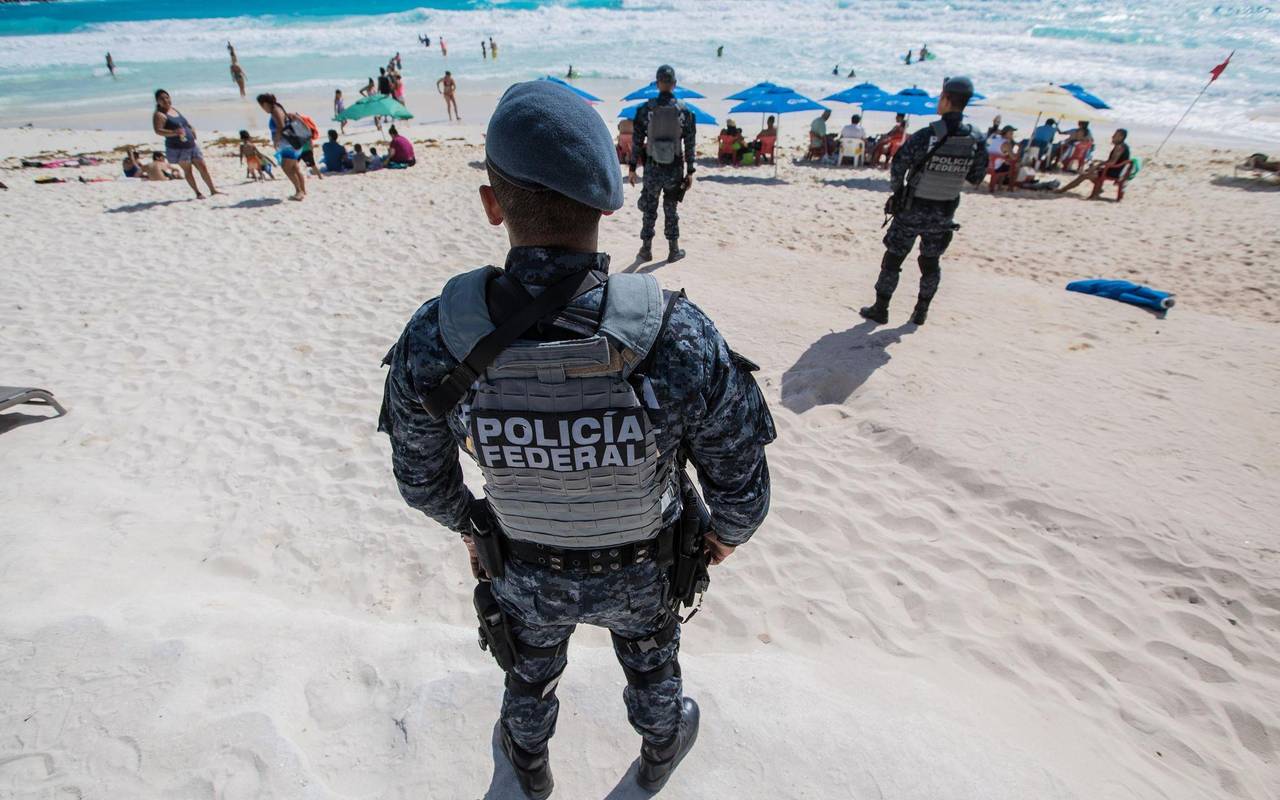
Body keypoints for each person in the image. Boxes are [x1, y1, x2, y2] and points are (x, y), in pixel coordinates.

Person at [378, 78, 774, 800]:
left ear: (493, 205)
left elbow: (419, 478)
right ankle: (659, 750)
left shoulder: (438, 335)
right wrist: (722, 538)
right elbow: (741, 484)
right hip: (645, 571)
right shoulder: (675, 334)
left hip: (525, 571)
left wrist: (473, 525)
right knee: (653, 665)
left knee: (528, 669)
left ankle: (528, 766)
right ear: (609, 202)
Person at [859, 76, 987, 326]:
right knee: (930, 263)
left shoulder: (927, 135)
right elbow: (976, 176)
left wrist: (898, 193)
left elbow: (899, 166)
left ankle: (881, 309)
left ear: (947, 99)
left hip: (912, 209)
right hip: (944, 211)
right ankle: (920, 312)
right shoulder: (975, 139)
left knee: (893, 260)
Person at [628, 64, 697, 263]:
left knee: (649, 209)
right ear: (674, 84)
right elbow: (690, 144)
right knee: (671, 209)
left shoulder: (645, 109)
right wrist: (690, 170)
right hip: (674, 168)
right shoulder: (685, 112)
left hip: (652, 167)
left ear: (658, 83)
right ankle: (673, 250)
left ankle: (645, 249)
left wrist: (632, 167)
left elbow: (637, 142)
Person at [151, 89, 221, 199]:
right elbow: (158, 130)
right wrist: (174, 132)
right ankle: (198, 193)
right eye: (162, 99)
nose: (165, 100)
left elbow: (185, 123)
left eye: (167, 97)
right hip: (178, 148)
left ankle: (213, 190)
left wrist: (191, 128)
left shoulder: (174, 110)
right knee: (188, 170)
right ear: (157, 101)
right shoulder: (159, 115)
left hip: (191, 145)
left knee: (203, 167)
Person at [257, 92, 308, 201]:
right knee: (295, 168)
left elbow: (281, 126)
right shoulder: (278, 107)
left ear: (265, 103)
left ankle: (299, 191)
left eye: (261, 106)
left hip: (288, 144)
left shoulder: (275, 110)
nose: (262, 108)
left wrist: (275, 141)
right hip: (292, 143)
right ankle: (302, 190)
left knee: (286, 167)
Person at [1057, 128, 1130, 198]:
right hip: (1114, 169)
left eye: (1115, 135)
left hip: (1114, 171)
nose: (1113, 136)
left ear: (1121, 137)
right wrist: (1099, 162)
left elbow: (1112, 162)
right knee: (1088, 172)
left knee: (1084, 175)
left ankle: (1062, 190)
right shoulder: (1121, 146)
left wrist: (1099, 165)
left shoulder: (1120, 147)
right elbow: (1113, 161)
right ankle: (1098, 189)